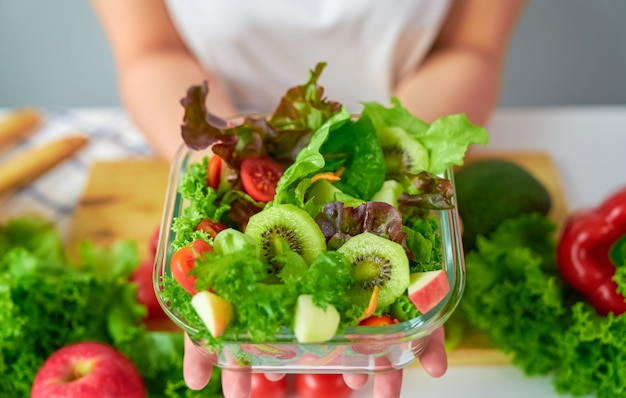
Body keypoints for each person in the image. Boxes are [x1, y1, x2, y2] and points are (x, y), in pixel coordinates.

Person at [90, 1, 526, 397]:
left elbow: (472, 45)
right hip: (234, 134)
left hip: (408, 117)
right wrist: (222, 158)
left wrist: (400, 158)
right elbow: (150, 49)